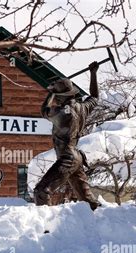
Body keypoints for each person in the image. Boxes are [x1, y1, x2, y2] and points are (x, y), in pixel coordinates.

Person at [34, 62, 102, 211]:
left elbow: (44, 111)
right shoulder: (82, 108)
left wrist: (50, 94)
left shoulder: (62, 113)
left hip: (67, 159)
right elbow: (95, 97)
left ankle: (46, 227)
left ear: (60, 97)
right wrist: (93, 74)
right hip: (75, 157)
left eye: (57, 97)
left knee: (41, 191)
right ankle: (103, 220)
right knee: (87, 200)